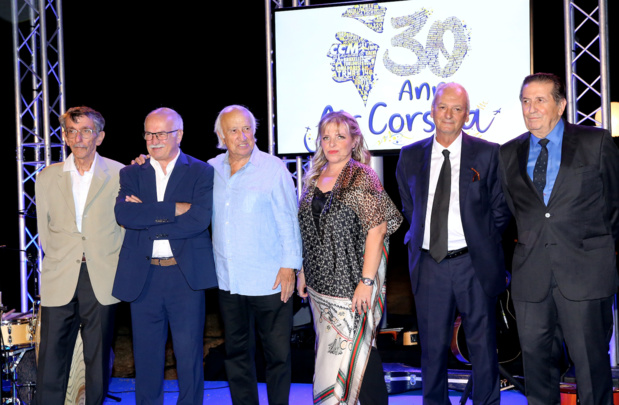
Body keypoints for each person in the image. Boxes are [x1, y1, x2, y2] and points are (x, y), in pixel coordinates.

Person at [499, 72, 619, 405]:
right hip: (530, 279)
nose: (531, 109)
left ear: (561, 104)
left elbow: (614, 206)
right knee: (537, 373)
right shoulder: (507, 154)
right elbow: (513, 213)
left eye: (540, 100)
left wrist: (596, 251)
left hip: (585, 275)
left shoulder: (595, 142)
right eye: (526, 101)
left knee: (591, 372)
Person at [396, 83, 511, 405]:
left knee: (482, 346)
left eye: (457, 108)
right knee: (432, 349)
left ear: (467, 115)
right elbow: (409, 206)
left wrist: (482, 242)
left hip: (474, 263)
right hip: (429, 263)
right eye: (443, 107)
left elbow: (500, 209)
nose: (449, 114)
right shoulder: (409, 156)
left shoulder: (488, 153)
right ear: (432, 111)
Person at [297, 111, 402, 405]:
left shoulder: (361, 176)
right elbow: (308, 229)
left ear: (353, 140)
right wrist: (304, 271)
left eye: (340, 136)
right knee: (331, 358)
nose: (332, 143)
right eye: (326, 137)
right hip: (319, 288)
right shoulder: (313, 176)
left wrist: (366, 282)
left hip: (351, 286)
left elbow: (378, 229)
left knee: (362, 355)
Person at [113, 107, 217, 405]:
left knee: (189, 358)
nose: (154, 139)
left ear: (179, 135)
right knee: (145, 360)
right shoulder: (131, 172)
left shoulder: (201, 170)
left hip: (184, 277)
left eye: (161, 133)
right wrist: (172, 209)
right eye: (148, 133)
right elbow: (124, 214)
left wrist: (147, 212)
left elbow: (199, 219)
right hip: (143, 278)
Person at [209, 105, 303, 405]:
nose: (242, 136)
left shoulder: (273, 168)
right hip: (229, 281)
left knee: (277, 356)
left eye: (247, 128)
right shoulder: (209, 169)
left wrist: (291, 267)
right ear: (222, 136)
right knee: (236, 355)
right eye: (234, 130)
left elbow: (289, 220)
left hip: (270, 281)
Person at [34, 106, 124, 405]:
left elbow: (124, 227)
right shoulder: (48, 177)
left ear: (100, 136)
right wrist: (63, 257)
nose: (78, 138)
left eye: (86, 131)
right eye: (72, 131)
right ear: (65, 137)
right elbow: (45, 232)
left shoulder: (119, 173)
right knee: (50, 359)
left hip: (101, 275)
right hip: (60, 276)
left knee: (97, 359)